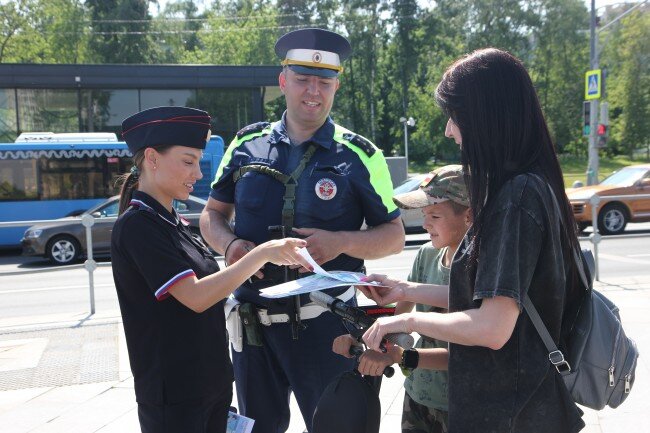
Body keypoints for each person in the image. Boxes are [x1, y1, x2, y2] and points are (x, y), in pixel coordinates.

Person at [360, 48, 586, 432]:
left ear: (486, 116)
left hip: (509, 414)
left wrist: (410, 318)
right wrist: (404, 287)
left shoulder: (516, 198)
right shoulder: (536, 186)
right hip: (524, 407)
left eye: (454, 116)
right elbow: (493, 300)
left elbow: (491, 328)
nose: (449, 130)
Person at [200, 28, 405, 433]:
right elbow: (211, 215)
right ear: (283, 82)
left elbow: (395, 235)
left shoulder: (362, 155)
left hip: (327, 327)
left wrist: (342, 241)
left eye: (324, 81)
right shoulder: (245, 144)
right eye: (302, 79)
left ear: (336, 86)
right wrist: (232, 244)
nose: (314, 91)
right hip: (254, 326)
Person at [111, 106, 311, 433]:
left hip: (209, 389)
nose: (198, 174)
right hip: (175, 399)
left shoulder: (173, 224)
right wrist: (262, 253)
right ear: (152, 158)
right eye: (188, 162)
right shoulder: (138, 226)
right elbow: (196, 297)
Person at [333, 165, 471, 433]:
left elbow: (467, 355)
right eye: (423, 214)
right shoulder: (426, 255)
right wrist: (362, 340)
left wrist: (399, 356)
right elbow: (397, 323)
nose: (425, 223)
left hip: (464, 404)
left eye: (434, 215)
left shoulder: (483, 268)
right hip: (419, 395)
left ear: (469, 215)